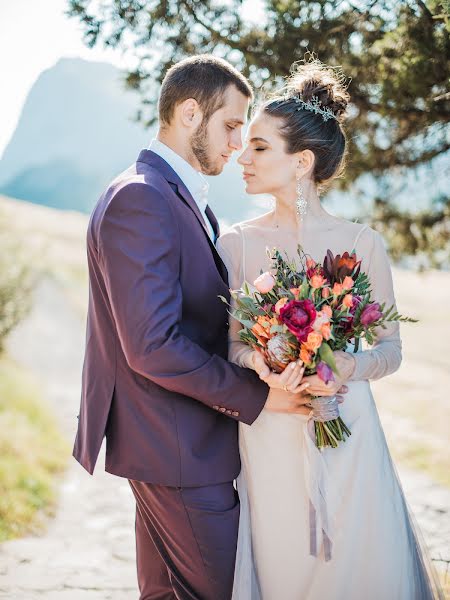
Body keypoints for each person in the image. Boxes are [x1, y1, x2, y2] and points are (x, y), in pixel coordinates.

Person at [73, 54, 313, 600]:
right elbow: (153, 345)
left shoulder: (171, 195)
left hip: (177, 445)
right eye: (230, 125)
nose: (236, 146)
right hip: (176, 447)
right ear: (188, 112)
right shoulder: (142, 196)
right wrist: (258, 396)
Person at [217, 60, 443, 600]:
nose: (241, 159)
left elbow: (390, 349)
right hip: (270, 428)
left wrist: (347, 365)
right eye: (244, 145)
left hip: (348, 425)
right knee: (283, 564)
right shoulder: (237, 244)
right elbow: (229, 345)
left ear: (302, 162)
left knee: (356, 561)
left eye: (259, 147)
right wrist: (267, 368)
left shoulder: (362, 243)